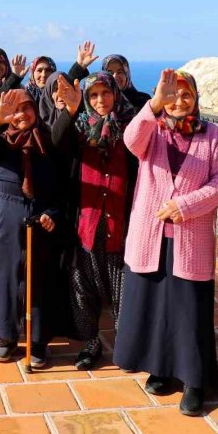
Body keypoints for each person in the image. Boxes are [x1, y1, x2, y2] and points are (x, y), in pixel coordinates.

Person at [112, 69, 218, 416]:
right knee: (154, 306)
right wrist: (154, 104)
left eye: (186, 95)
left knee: (188, 310)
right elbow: (130, 140)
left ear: (195, 99)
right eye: (172, 95)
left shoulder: (211, 134)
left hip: (190, 238)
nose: (179, 102)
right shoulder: (152, 130)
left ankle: (194, 381)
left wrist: (185, 206)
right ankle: (160, 368)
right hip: (149, 236)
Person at [0, 89, 68, 368]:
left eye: (26, 108)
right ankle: (4, 335)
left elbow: (63, 188)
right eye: (15, 110)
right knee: (4, 274)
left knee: (38, 277)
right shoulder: (1, 142)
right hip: (6, 211)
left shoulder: (49, 140)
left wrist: (52, 214)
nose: (21, 114)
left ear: (35, 110)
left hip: (40, 214)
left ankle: (38, 340)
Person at [52, 72, 136, 370]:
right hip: (86, 223)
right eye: (94, 95)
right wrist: (70, 110)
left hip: (121, 223)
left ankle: (126, 347)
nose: (101, 100)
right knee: (82, 286)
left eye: (106, 93)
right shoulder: (79, 129)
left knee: (122, 288)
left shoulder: (131, 128)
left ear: (116, 94)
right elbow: (55, 143)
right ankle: (90, 343)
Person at [25, 42, 99, 108]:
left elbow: (68, 82)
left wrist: (80, 65)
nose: (43, 75)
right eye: (39, 70)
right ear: (32, 73)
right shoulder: (26, 95)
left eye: (48, 70)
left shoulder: (61, 96)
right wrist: (17, 78)